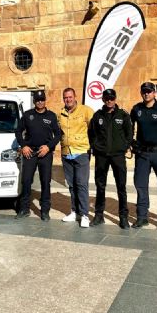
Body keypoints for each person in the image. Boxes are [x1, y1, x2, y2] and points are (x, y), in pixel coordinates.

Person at [130, 82, 157, 232]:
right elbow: (129, 127)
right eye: (144, 91)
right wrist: (131, 142)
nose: (146, 94)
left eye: (149, 91)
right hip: (142, 154)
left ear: (154, 93)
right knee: (140, 185)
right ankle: (142, 217)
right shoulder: (137, 109)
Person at [88, 88, 133, 229]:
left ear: (115, 99)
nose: (109, 100)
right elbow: (92, 133)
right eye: (107, 98)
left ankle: (123, 217)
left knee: (121, 187)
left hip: (118, 156)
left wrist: (124, 146)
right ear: (103, 99)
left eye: (111, 98)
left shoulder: (123, 115)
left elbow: (129, 133)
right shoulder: (97, 116)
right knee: (100, 186)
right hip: (102, 156)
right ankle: (99, 215)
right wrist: (96, 146)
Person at [14, 90, 61, 221]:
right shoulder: (28, 115)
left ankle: (45, 210)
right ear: (34, 101)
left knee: (46, 181)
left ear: (45, 100)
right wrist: (23, 145)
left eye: (42, 99)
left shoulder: (51, 116)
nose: (40, 102)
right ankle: (24, 209)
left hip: (45, 153)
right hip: (30, 153)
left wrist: (48, 147)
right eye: (37, 100)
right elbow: (18, 131)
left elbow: (58, 134)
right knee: (26, 180)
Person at [57, 87, 93, 228]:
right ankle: (74, 211)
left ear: (75, 96)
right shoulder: (60, 113)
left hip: (81, 152)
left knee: (81, 184)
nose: (68, 100)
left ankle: (84, 215)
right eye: (65, 97)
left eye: (70, 97)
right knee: (71, 185)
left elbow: (94, 128)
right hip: (67, 154)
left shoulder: (86, 110)